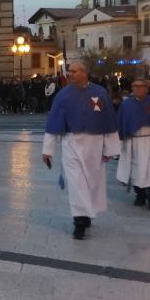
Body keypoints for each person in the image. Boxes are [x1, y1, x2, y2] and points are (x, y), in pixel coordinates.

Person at [42, 62, 120, 240]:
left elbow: (109, 121)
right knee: (76, 183)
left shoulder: (100, 93)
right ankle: (78, 222)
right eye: (69, 71)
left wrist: (110, 149)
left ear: (85, 73)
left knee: (92, 183)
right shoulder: (63, 95)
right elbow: (54, 123)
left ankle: (86, 214)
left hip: (95, 144)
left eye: (74, 71)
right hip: (72, 144)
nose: (70, 74)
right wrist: (48, 150)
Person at [116, 78, 150, 211]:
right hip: (134, 141)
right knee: (136, 170)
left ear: (146, 88)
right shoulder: (126, 104)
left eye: (141, 86)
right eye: (135, 86)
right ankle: (140, 196)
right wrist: (120, 139)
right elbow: (120, 122)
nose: (138, 89)